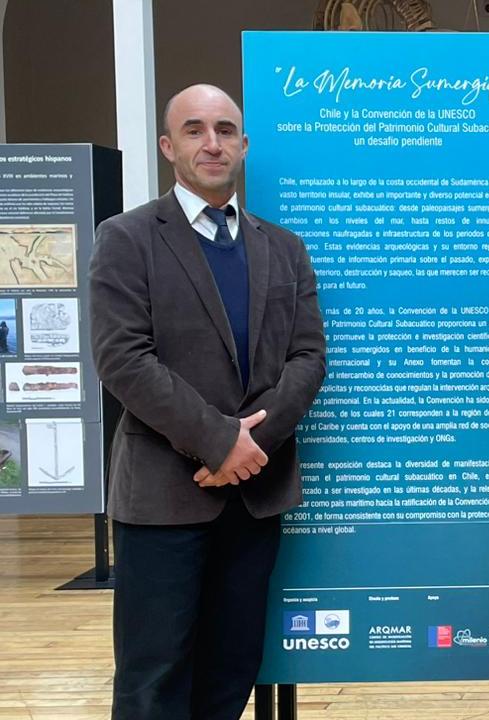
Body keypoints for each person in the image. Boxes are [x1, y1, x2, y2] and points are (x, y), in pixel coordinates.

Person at [90, 83, 327, 719]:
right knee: (153, 680)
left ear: (244, 145)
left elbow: (308, 359)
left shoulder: (283, 247)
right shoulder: (126, 238)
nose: (212, 142)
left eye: (225, 129)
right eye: (194, 130)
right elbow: (123, 358)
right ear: (169, 146)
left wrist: (253, 445)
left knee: (231, 670)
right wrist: (222, 441)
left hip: (253, 499)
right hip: (164, 497)